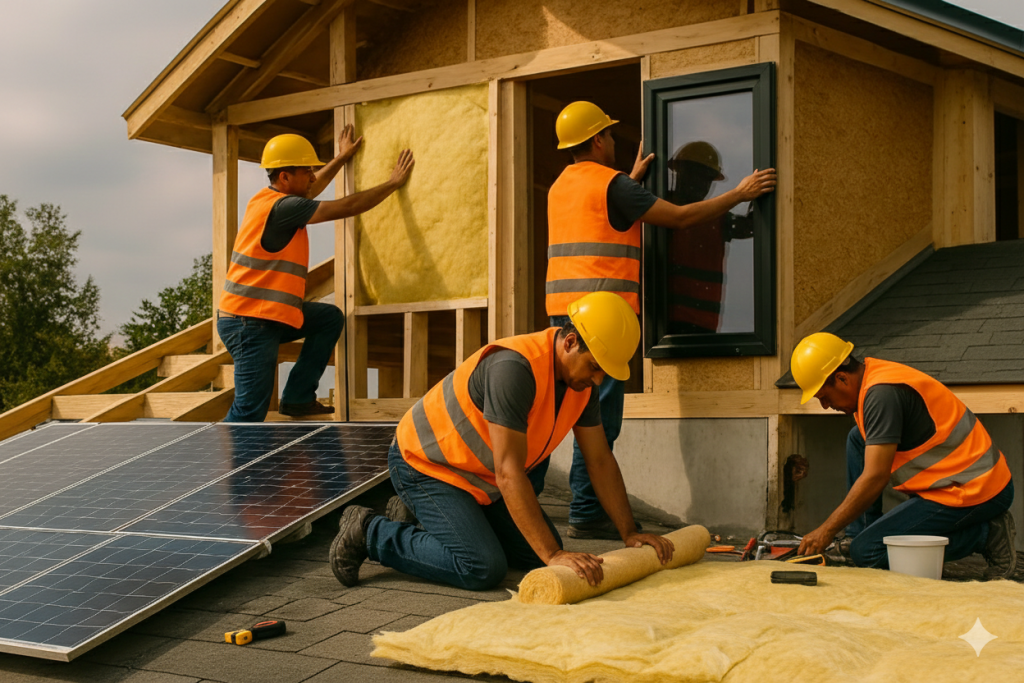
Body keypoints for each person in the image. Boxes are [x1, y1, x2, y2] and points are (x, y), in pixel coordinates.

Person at [329, 292, 675, 591]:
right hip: (427, 465)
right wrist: (554, 555)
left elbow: (599, 460)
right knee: (482, 567)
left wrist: (628, 532)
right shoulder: (514, 368)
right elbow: (509, 472)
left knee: (537, 556)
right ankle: (370, 531)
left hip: (480, 477)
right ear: (569, 342)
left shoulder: (581, 386)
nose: (597, 379)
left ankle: (420, 518)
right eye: (595, 367)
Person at [545, 101, 776, 539]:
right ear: (596, 139)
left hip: (564, 316)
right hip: (601, 319)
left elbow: (601, 221)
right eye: (610, 135)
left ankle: (550, 506)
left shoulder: (563, 185)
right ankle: (588, 511)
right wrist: (741, 193)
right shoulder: (612, 184)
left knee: (557, 412)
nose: (614, 141)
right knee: (598, 419)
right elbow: (680, 217)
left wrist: (629, 183)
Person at [218, 128, 414, 422]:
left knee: (328, 318)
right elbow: (346, 206)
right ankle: (224, 467)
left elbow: (311, 188)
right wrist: (392, 183)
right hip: (250, 324)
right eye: (306, 171)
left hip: (266, 316)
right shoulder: (285, 207)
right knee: (249, 412)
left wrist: (341, 157)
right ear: (285, 177)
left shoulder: (268, 199)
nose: (312, 177)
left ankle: (297, 398)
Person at [791, 332, 1017, 578]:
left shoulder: (881, 395)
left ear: (842, 378)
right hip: (955, 481)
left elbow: (876, 477)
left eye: (824, 397)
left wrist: (826, 530)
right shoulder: (871, 379)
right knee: (858, 437)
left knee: (867, 552)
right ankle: (859, 534)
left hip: (978, 489)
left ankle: (986, 535)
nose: (825, 406)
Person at [666, 141, 754, 334]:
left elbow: (750, 226)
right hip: (666, 323)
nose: (700, 183)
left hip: (702, 326)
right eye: (695, 175)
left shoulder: (715, 219)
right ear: (680, 173)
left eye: (706, 179)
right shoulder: (662, 210)